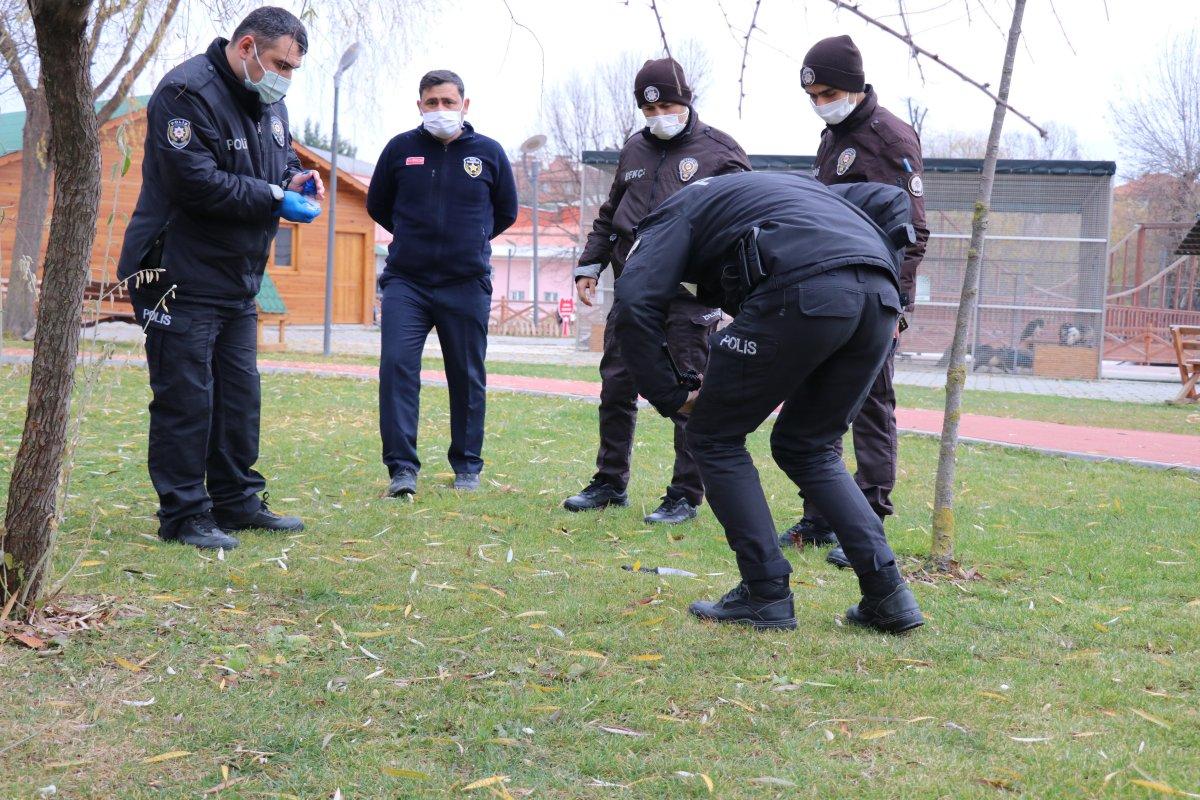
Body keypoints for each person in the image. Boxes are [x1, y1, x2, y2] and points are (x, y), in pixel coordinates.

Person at [613, 171, 925, 634]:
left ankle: (765, 593)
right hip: (879, 297)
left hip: (804, 290)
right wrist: (888, 273)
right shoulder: (789, 191)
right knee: (810, 446)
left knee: (714, 437)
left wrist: (672, 394)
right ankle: (889, 595)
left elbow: (635, 301)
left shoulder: (667, 217)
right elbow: (889, 197)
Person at [117, 7, 323, 551]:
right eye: (281, 63)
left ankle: (235, 501)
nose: (286, 77)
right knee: (187, 396)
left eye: (294, 69)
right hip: (176, 270)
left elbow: (272, 170)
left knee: (238, 396)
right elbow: (198, 184)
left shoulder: (268, 102)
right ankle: (184, 515)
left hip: (236, 276)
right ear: (248, 45)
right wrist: (277, 197)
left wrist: (295, 178)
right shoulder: (185, 94)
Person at [563, 58, 750, 525]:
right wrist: (590, 265)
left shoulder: (720, 151)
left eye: (667, 105)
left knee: (689, 395)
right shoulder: (634, 150)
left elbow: (744, 223)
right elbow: (610, 215)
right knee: (617, 388)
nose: (658, 115)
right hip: (632, 293)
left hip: (688, 295)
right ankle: (609, 482)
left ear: (686, 101)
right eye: (649, 109)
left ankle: (685, 494)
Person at [779, 35, 929, 569]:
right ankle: (820, 515)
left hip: (872, 302)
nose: (820, 101)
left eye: (826, 92)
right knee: (816, 405)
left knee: (869, 407)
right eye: (813, 94)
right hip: (827, 298)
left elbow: (912, 232)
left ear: (852, 85)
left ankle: (869, 519)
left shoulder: (888, 136)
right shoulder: (833, 136)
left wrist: (896, 308)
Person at [368, 70, 518, 498]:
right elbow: (378, 204)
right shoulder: (400, 149)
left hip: (466, 283)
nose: (440, 110)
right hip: (407, 283)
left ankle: (467, 466)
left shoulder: (487, 153)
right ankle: (401, 469)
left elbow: (505, 210)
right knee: (397, 368)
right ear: (419, 105)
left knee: (467, 375)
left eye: (448, 102)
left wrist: (469, 240)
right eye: (431, 102)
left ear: (465, 105)